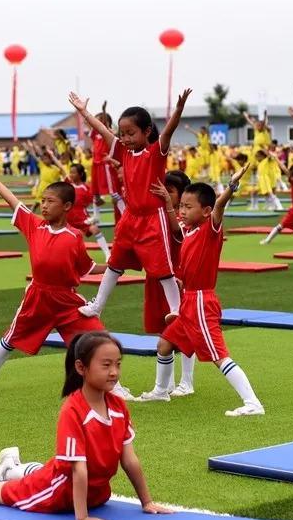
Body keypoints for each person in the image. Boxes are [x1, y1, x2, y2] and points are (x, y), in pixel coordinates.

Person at [0, 332, 172, 520]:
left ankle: (10, 468)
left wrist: (147, 502)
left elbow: (129, 459)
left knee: (48, 471)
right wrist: (82, 518)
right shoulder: (74, 410)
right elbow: (78, 469)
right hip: (60, 492)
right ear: (81, 367)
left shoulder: (118, 406)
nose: (114, 372)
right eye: (106, 365)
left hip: (95, 492)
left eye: (118, 364)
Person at [0, 158, 108, 398]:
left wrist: (111, 267)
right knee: (10, 339)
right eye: (43, 201)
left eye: (50, 201)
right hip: (38, 297)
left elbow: (87, 267)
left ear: (67, 206)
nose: (43, 206)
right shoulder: (34, 225)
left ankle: (113, 386)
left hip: (67, 301)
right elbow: (13, 201)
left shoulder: (75, 236)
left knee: (97, 340)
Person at [138, 166, 265, 417]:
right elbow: (178, 231)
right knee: (165, 344)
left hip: (201, 303)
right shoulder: (190, 231)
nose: (182, 211)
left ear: (205, 211)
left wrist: (231, 187)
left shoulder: (210, 229)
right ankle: (161, 391)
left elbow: (219, 207)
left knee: (219, 355)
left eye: (188, 207)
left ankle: (252, 403)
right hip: (189, 301)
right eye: (181, 206)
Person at [68, 89, 192, 323]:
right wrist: (84, 112)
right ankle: (97, 306)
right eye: (122, 133)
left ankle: (176, 309)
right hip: (130, 218)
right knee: (114, 264)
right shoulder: (123, 151)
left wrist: (178, 109)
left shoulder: (155, 153)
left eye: (131, 133)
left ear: (147, 131)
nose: (125, 138)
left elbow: (168, 131)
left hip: (153, 218)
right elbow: (103, 131)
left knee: (162, 268)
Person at [145, 172, 196, 397]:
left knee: (184, 329)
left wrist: (167, 204)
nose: (164, 192)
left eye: (170, 190)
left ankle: (187, 382)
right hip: (157, 276)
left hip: (178, 277)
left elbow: (179, 234)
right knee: (164, 329)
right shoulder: (155, 214)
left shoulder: (184, 218)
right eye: (163, 188)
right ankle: (167, 384)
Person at [50, 152, 111, 260]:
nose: (71, 174)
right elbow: (61, 167)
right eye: (70, 172)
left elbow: (97, 201)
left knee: (95, 230)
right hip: (67, 218)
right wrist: (52, 156)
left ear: (81, 174)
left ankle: (108, 255)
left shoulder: (86, 188)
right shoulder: (68, 183)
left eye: (73, 173)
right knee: (61, 237)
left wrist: (98, 203)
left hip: (81, 218)